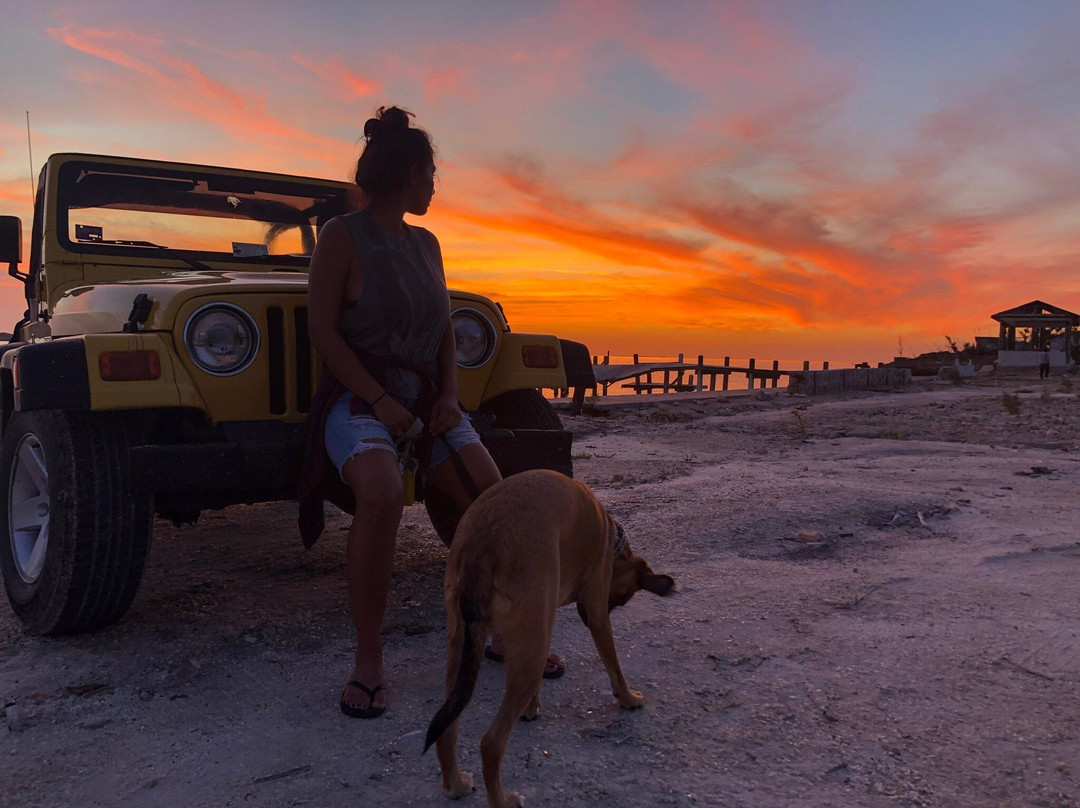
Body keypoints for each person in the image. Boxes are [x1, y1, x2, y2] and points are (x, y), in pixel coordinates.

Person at [300, 107, 560, 720]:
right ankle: (369, 661)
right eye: (433, 173)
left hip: (429, 401)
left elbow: (443, 328)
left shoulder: (427, 244)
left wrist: (449, 396)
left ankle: (501, 630)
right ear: (412, 175)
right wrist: (382, 402)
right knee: (383, 493)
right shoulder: (341, 237)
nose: (437, 186)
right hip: (358, 402)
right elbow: (324, 334)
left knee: (494, 497)